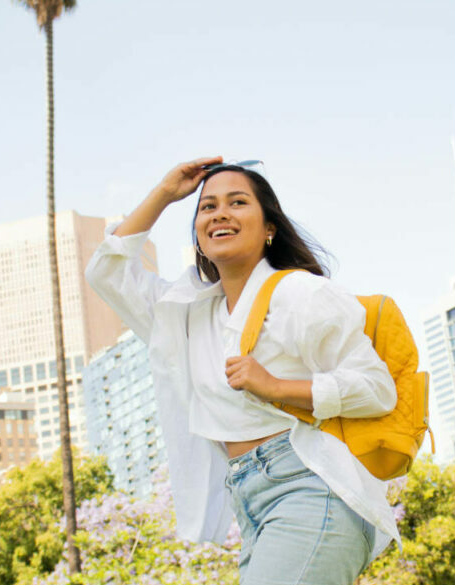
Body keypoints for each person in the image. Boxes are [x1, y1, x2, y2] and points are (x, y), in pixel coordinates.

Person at [84, 156, 401, 585]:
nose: (220, 214)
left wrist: (275, 386)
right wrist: (165, 192)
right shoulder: (186, 313)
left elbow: (377, 389)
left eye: (237, 202)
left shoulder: (299, 293)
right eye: (208, 207)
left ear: (269, 227)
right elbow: (107, 271)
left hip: (312, 486)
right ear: (198, 234)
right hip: (251, 502)